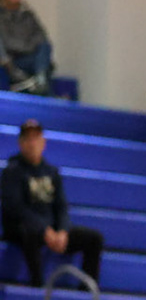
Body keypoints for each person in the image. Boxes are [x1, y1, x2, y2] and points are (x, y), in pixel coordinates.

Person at [2, 120, 104, 287]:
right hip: (25, 230)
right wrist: (44, 230)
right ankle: (37, 287)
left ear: (43, 142)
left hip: (50, 230)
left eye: (36, 138)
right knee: (30, 232)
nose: (32, 143)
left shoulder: (52, 172)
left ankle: (87, 293)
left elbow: (61, 206)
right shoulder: (12, 171)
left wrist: (63, 231)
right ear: (21, 143)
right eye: (28, 139)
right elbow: (16, 208)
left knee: (94, 239)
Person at [0, 0, 54, 94]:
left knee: (45, 49)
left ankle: (40, 81)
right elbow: (5, 44)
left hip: (30, 57)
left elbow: (41, 36)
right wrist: (26, 46)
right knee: (44, 66)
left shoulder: (27, 13)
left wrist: (28, 47)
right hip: (11, 61)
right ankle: (40, 85)